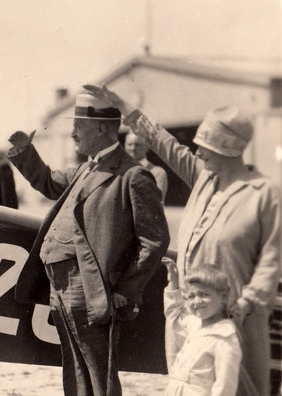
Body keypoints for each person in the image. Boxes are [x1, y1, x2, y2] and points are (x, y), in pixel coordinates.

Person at [85, 84, 281, 396]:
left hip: (236, 324)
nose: (198, 152)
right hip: (195, 315)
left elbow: (271, 262)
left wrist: (245, 304)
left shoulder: (264, 195)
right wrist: (124, 106)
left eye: (205, 146)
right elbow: (165, 144)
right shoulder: (204, 178)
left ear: (227, 150)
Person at [7, 94, 170, 396]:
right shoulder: (85, 169)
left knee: (99, 374)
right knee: (74, 367)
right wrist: (24, 152)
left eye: (78, 126)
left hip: (91, 289)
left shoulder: (133, 176)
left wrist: (125, 290)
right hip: (59, 287)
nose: (72, 134)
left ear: (102, 130)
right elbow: (49, 181)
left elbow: (155, 241)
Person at [162, 258, 242, 396]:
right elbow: (174, 315)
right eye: (191, 296)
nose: (197, 301)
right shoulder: (195, 324)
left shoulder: (224, 339)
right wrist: (173, 284)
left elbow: (225, 387)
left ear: (224, 297)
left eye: (204, 294)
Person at [124, 131, 168, 202]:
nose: (133, 148)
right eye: (129, 144)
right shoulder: (119, 170)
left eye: (137, 144)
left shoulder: (157, 173)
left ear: (146, 147)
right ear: (124, 146)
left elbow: (157, 203)